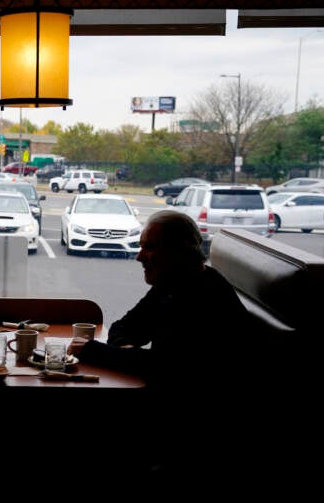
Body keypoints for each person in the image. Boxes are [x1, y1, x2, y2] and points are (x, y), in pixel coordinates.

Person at [67, 210, 263, 497]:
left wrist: (92, 351)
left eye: (149, 247)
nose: (139, 256)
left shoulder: (207, 299)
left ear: (181, 250)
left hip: (202, 435)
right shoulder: (171, 285)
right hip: (173, 412)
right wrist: (129, 351)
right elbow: (124, 327)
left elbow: (166, 368)